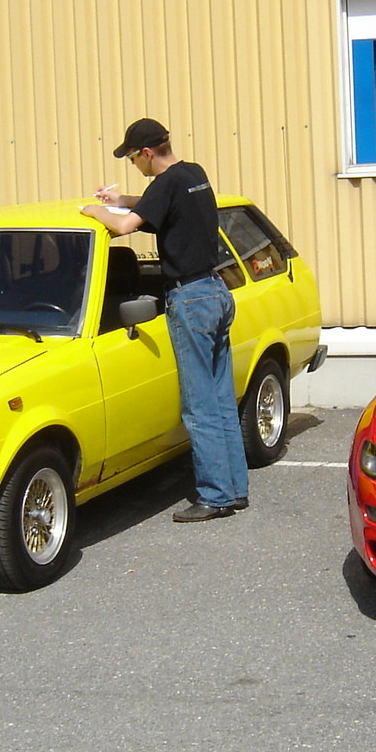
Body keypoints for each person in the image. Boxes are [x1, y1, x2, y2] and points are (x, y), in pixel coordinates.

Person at [81, 118, 249, 522]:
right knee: (222, 399)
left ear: (147, 153)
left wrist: (94, 210)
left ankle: (215, 495)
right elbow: (159, 202)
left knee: (199, 405)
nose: (133, 164)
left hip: (190, 298)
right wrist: (123, 197)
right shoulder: (194, 174)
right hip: (217, 292)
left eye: (132, 157)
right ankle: (235, 489)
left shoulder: (165, 184)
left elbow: (122, 227)